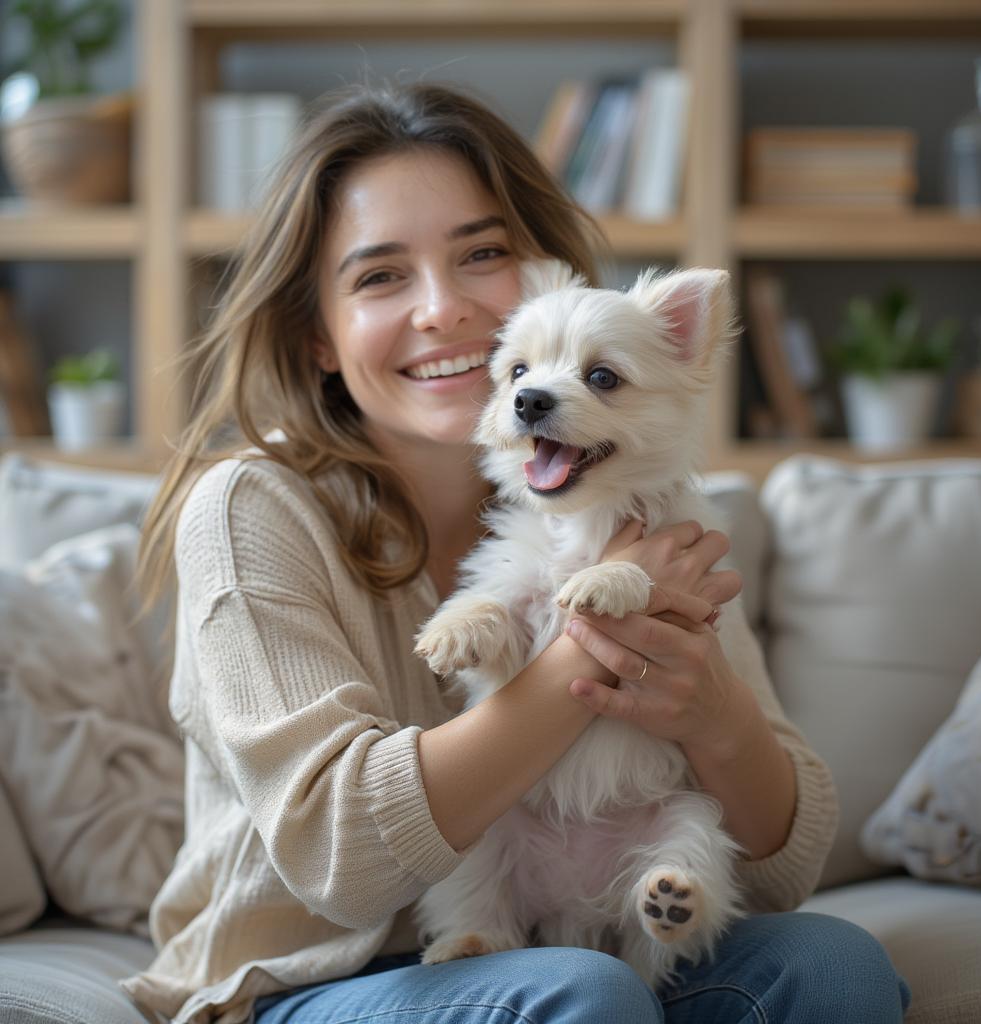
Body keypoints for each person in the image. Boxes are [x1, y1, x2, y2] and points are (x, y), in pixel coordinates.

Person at [123, 81, 910, 1024]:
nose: (444, 308)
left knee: (831, 967)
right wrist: (587, 650)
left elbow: (784, 870)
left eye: (481, 254)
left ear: (545, 276)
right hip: (314, 977)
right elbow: (343, 863)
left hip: (590, 928)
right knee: (585, 993)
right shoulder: (251, 510)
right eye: (380, 276)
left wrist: (716, 718)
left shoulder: (643, 513)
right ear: (317, 338)